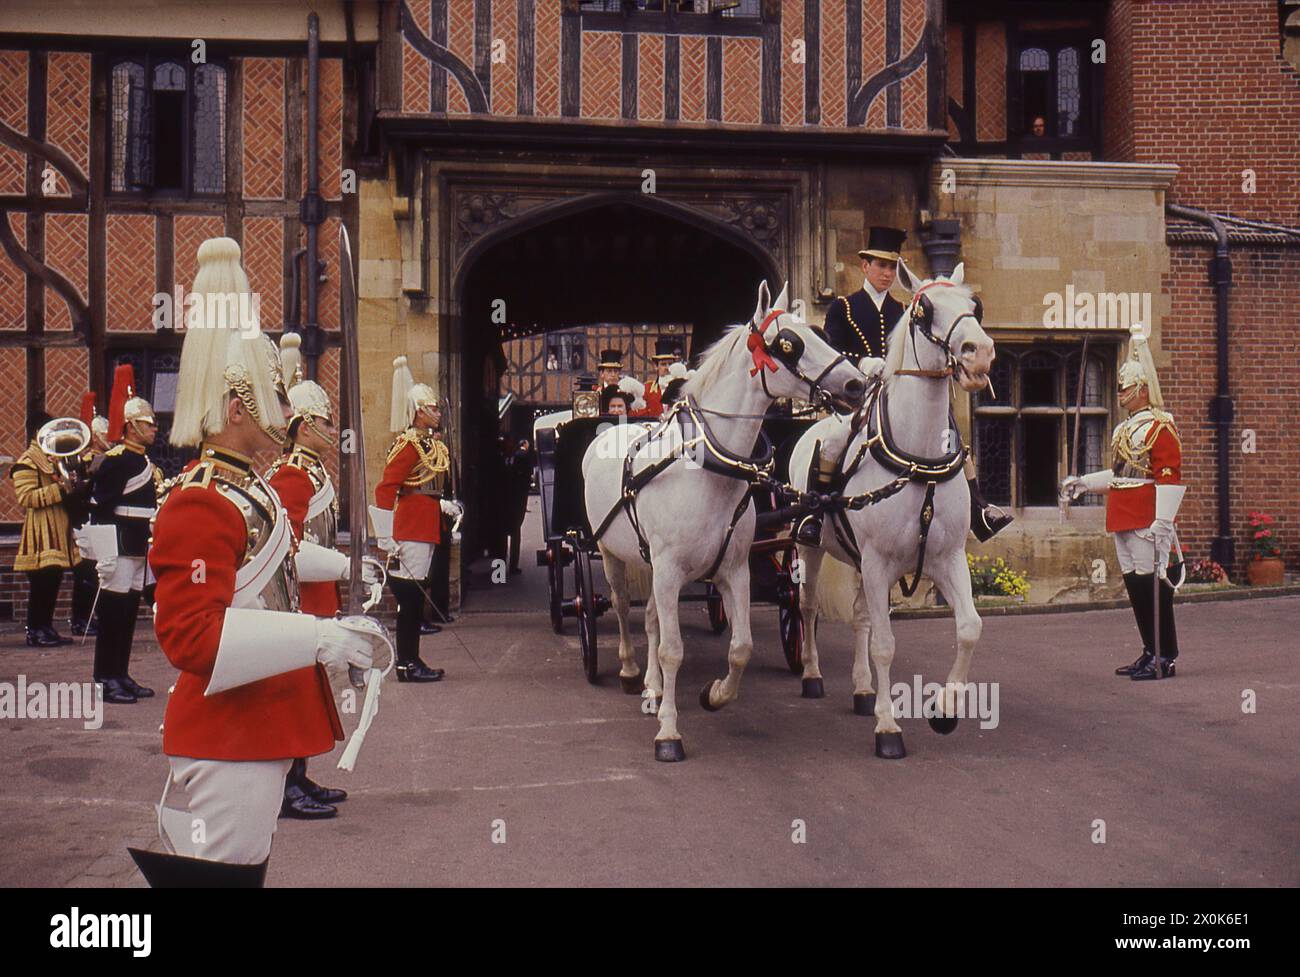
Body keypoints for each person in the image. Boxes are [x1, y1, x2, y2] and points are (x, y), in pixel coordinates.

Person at [130, 237, 374, 886]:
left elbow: (282, 573)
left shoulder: (249, 486)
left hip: (259, 722)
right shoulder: (200, 499)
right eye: (270, 400)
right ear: (237, 408)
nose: (284, 415)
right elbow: (191, 635)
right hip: (228, 733)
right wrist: (320, 635)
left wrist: (345, 592)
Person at [800, 225, 1011, 546]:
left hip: (902, 397)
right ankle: (815, 512)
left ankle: (978, 509)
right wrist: (861, 363)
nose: (886, 273)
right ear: (865, 266)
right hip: (857, 395)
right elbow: (830, 352)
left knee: (954, 441)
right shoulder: (843, 307)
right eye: (881, 266)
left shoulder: (905, 311)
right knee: (833, 439)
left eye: (891, 267)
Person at [266, 332, 358, 820]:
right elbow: (290, 549)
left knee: (311, 691)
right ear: (302, 427)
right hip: (297, 601)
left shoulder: (315, 471)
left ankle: (299, 775)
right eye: (323, 422)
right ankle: (284, 787)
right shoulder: (290, 476)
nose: (330, 428)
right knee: (294, 693)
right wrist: (344, 566)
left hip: (318, 597)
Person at [1062, 324, 1184, 681]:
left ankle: (1166, 656)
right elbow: (1119, 476)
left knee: (1154, 586)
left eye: (1126, 387)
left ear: (1143, 389)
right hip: (1122, 514)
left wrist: (1164, 521)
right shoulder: (1122, 429)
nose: (1120, 393)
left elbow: (1168, 475)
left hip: (1147, 515)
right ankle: (1150, 650)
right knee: (1135, 586)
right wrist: (1083, 483)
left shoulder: (1161, 426)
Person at [371, 356, 463, 682]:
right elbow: (386, 489)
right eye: (434, 409)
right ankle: (407, 664)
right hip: (409, 530)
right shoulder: (410, 444)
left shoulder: (428, 443)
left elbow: (424, 488)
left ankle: (410, 661)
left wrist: (441, 507)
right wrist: (384, 536)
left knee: (415, 601)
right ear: (420, 412)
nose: (438, 413)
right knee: (409, 603)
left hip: (424, 526)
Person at [88, 365, 161, 704]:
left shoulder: (143, 462)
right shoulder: (115, 461)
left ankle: (121, 673)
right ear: (131, 426)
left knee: (129, 614)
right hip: (117, 547)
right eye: (148, 424)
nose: (154, 429)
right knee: (113, 615)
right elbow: (99, 508)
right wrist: (102, 553)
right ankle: (105, 678)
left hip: (137, 547)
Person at [9, 412, 78, 646]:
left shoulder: (53, 458)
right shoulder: (28, 461)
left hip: (57, 528)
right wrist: (60, 490)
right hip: (40, 531)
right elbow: (25, 497)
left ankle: (46, 628)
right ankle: (35, 630)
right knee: (42, 581)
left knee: (53, 579)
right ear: (39, 432)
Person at [68, 391, 109, 638]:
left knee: (96, 572)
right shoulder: (83, 461)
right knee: (86, 571)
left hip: (96, 520)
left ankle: (88, 617)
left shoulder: (105, 458)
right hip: (83, 520)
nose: (108, 439)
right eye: (104, 436)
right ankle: (79, 619)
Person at [503, 437, 535, 575]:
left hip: (507, 497)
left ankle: (501, 567)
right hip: (519, 495)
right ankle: (513, 565)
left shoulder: (509, 458)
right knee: (516, 531)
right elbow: (529, 473)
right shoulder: (523, 456)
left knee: (504, 533)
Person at [642, 337, 684, 418]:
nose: (667, 368)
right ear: (656, 366)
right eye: (663, 364)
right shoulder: (647, 389)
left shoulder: (682, 388)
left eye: (670, 364)